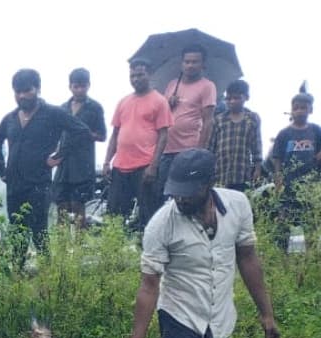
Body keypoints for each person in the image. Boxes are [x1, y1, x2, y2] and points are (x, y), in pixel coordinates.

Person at [132, 149, 279, 338]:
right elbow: (149, 286)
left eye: (188, 192)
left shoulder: (237, 205)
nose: (181, 198)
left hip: (221, 320)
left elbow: (247, 258)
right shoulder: (161, 225)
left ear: (210, 183)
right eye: (176, 192)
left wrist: (267, 315)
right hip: (180, 318)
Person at [0, 69, 89, 265]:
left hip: (39, 183)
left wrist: (59, 155)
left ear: (38, 89)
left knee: (39, 231)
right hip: (14, 184)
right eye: (17, 91)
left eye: (27, 90)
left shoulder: (52, 113)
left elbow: (82, 132)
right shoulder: (10, 118)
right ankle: (17, 274)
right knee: (17, 231)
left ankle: (47, 274)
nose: (22, 96)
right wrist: (2, 172)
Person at [103, 58, 172, 230]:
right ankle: (115, 246)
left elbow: (163, 135)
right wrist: (106, 162)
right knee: (114, 216)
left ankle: (147, 245)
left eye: (140, 75)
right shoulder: (123, 102)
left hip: (145, 166)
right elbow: (115, 134)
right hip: (120, 166)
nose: (136, 79)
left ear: (149, 74)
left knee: (149, 214)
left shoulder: (159, 101)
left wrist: (153, 166)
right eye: (132, 76)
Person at [159, 45, 216, 196]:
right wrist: (168, 104)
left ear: (203, 64)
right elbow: (161, 115)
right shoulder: (172, 85)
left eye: (195, 62)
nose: (190, 65)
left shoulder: (207, 86)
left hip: (189, 150)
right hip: (166, 149)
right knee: (162, 192)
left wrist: (200, 151)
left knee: (184, 194)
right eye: (187, 61)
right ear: (182, 63)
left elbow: (208, 121)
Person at [54, 68, 107, 226]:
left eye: (83, 86)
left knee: (79, 209)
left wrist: (87, 134)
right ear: (70, 86)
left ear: (88, 85)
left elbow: (102, 135)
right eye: (76, 86)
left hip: (82, 165)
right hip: (63, 164)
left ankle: (79, 242)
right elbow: (55, 135)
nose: (79, 90)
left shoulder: (95, 108)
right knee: (61, 207)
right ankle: (61, 242)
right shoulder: (62, 108)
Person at [270, 90, 321, 232]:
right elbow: (277, 157)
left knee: (311, 218)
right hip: (289, 183)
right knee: (285, 217)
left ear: (310, 110)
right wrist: (278, 177)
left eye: (303, 108)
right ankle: (283, 243)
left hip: (311, 183)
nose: (299, 111)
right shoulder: (284, 133)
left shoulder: (316, 130)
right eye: (296, 108)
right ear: (291, 110)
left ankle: (310, 244)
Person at [208, 81, 262, 192]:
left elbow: (256, 146)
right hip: (221, 173)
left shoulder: (252, 118)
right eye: (228, 99)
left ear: (246, 97)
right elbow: (211, 148)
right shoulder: (218, 120)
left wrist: (257, 168)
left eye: (236, 98)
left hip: (243, 173)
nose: (232, 101)